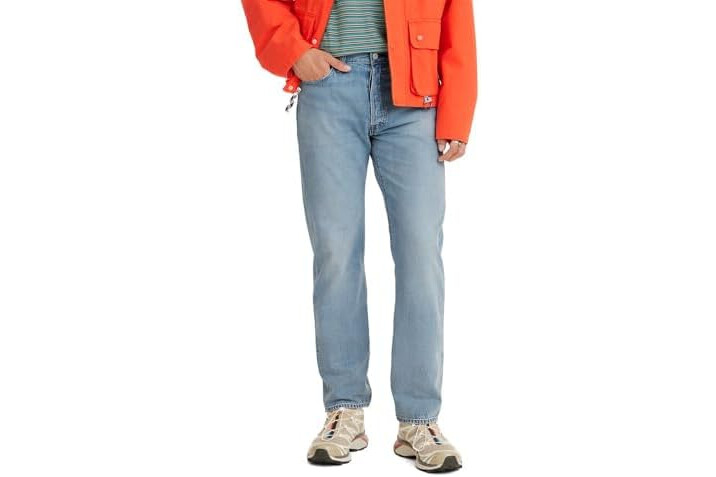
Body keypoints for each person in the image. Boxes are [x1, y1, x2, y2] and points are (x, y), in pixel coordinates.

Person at [241, 0, 477, 472]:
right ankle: (344, 409)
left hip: (415, 90)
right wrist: (294, 50)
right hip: (328, 86)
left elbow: (458, 14)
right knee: (336, 252)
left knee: (420, 255)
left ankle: (419, 419)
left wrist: (457, 111)